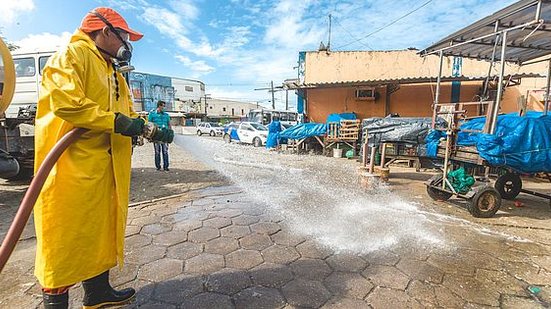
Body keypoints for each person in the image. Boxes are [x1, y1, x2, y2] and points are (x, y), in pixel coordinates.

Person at [34, 7, 170, 309]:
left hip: (106, 169)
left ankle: (97, 293)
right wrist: (118, 123)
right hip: (71, 168)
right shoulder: (71, 57)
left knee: (100, 230)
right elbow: (66, 103)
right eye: (124, 35)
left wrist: (152, 130)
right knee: (64, 239)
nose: (127, 42)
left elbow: (129, 115)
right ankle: (55, 305)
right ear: (105, 31)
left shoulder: (113, 72)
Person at [148, 100, 171, 171]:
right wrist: (149, 136)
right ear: (159, 106)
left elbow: (169, 124)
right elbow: (149, 125)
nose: (163, 108)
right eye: (163, 106)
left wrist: (170, 133)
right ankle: (158, 166)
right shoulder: (152, 114)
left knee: (165, 151)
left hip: (164, 135)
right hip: (156, 135)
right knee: (157, 151)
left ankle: (166, 166)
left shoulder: (166, 115)